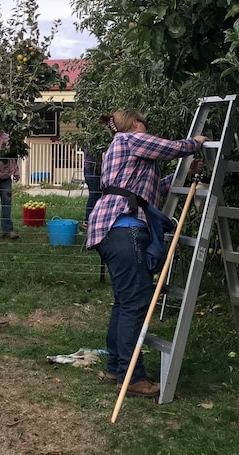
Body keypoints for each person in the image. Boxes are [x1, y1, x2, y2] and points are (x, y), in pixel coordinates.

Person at [85, 110, 207, 398]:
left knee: (124, 302)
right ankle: (133, 378)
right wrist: (196, 142)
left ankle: (117, 368)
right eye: (144, 124)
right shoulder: (128, 140)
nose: (147, 129)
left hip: (112, 229)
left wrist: (186, 174)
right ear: (133, 124)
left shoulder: (129, 153)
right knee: (135, 304)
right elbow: (170, 148)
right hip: (124, 228)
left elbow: (152, 189)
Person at [82, 147, 101, 227]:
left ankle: (95, 218)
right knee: (94, 195)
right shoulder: (92, 144)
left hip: (93, 170)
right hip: (92, 170)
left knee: (97, 195)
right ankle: (88, 220)